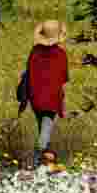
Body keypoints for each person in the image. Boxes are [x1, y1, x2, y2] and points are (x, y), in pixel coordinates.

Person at [21, 20, 68, 168]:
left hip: (34, 97)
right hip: (52, 99)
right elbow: (64, 77)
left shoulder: (34, 52)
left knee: (42, 127)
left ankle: (46, 163)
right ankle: (35, 163)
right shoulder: (60, 54)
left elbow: (29, 73)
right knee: (46, 130)